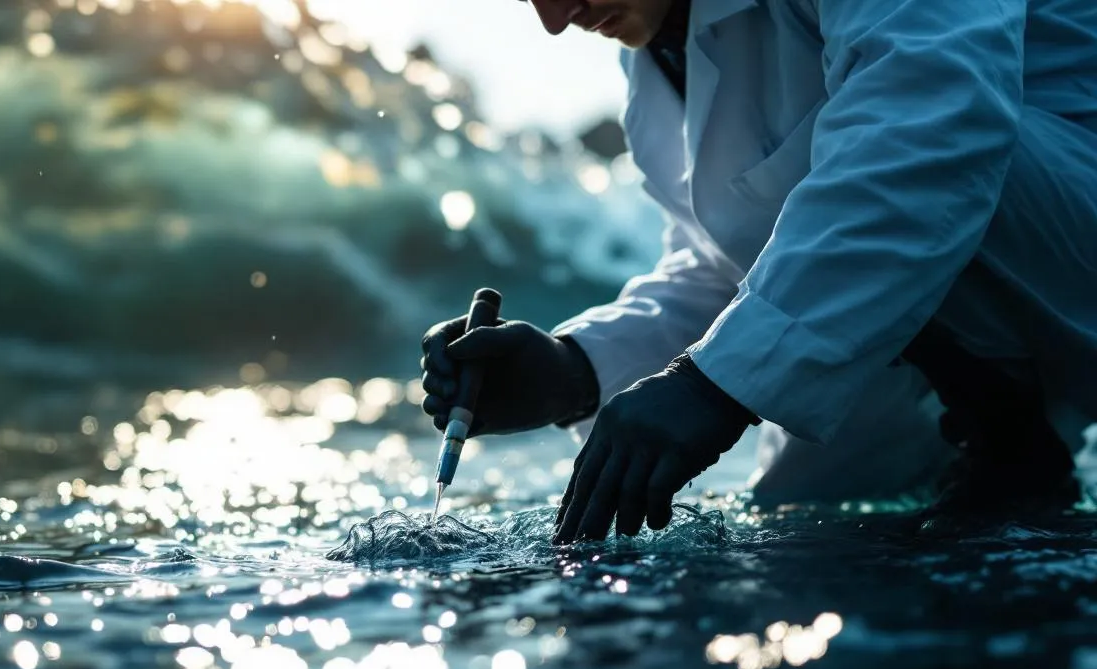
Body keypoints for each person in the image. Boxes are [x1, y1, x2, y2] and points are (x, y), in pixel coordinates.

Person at [420, 0, 1097, 543]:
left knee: (898, 136)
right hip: (965, 297)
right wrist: (573, 371)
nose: (554, 17)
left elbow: (933, 125)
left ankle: (1011, 438)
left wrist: (714, 389)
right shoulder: (654, 47)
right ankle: (1000, 438)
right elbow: (730, 262)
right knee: (804, 542)